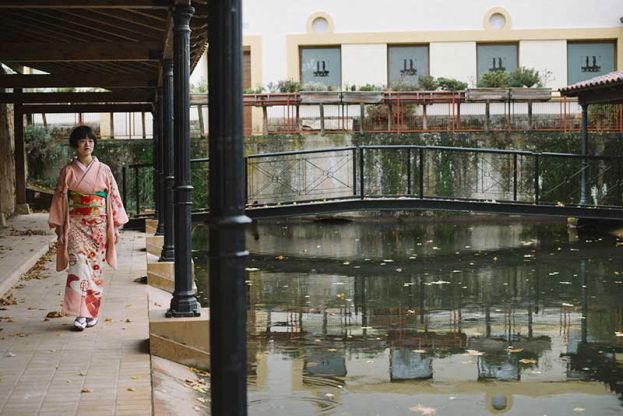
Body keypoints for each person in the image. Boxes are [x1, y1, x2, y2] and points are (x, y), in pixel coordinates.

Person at [49, 125, 128, 331]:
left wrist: (116, 226)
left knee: (94, 268)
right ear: (76, 144)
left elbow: (114, 198)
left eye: (91, 141)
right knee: (77, 265)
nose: (87, 144)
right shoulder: (67, 171)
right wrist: (59, 228)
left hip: (98, 225)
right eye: (83, 141)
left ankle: (90, 312)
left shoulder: (104, 170)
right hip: (75, 223)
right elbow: (59, 199)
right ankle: (80, 314)